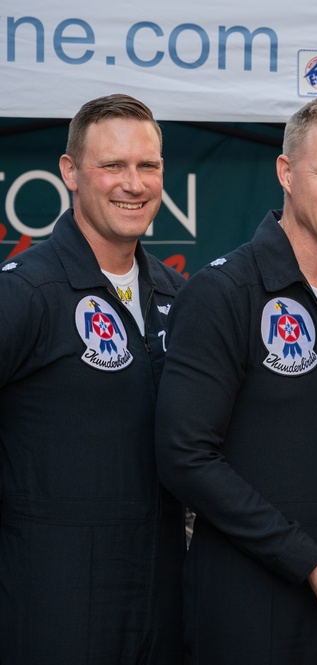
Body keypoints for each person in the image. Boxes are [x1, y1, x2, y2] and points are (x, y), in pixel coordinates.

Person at [155, 94, 317, 664]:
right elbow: (184, 456)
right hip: (253, 606)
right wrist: (304, 560)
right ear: (287, 174)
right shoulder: (223, 293)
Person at [0, 94, 185, 662]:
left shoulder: (178, 295)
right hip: (51, 607)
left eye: (147, 166)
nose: (133, 183)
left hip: (160, 602)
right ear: (71, 172)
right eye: (112, 166)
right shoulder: (25, 291)